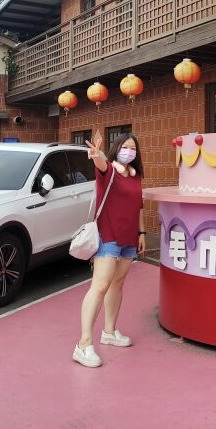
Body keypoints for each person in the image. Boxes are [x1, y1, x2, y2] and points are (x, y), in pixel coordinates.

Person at [72, 131, 146, 368]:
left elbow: (140, 207)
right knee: (101, 285)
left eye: (133, 148)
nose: (129, 151)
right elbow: (101, 163)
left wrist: (142, 233)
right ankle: (83, 344)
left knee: (117, 284)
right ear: (116, 149)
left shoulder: (135, 176)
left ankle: (109, 331)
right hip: (109, 236)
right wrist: (97, 154)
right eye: (125, 147)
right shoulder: (109, 170)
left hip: (128, 239)